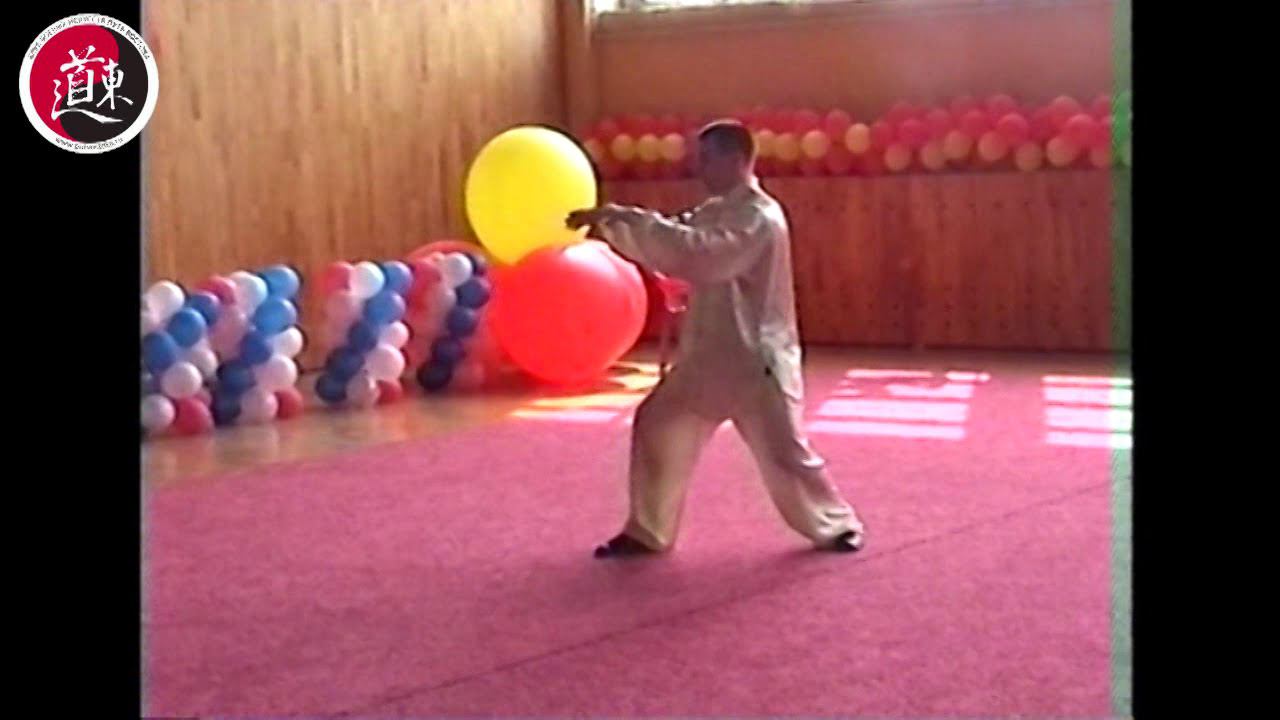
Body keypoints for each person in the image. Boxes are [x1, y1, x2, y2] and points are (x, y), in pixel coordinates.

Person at [566, 120, 866, 558]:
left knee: (787, 455)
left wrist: (621, 220)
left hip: (757, 362)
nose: (698, 167)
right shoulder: (715, 211)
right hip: (707, 359)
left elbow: (701, 253)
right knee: (658, 424)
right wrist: (621, 223)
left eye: (707, 158)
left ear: (737, 159)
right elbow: (679, 237)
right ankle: (648, 531)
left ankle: (836, 525)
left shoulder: (760, 217)